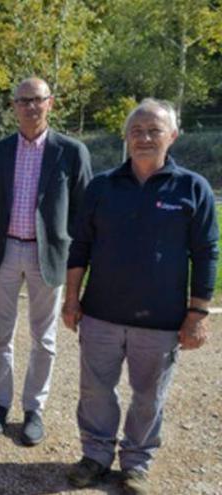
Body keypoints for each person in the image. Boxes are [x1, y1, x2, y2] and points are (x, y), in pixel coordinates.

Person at [62, 99, 218, 495]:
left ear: (173, 136)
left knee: (149, 397)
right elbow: (80, 246)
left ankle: (136, 464)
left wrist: (197, 313)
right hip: (101, 315)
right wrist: (72, 299)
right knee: (95, 391)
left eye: (154, 130)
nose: (144, 138)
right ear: (126, 137)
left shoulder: (192, 188)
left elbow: (207, 253)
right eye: (137, 131)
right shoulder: (102, 186)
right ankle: (95, 456)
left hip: (161, 320)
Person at [0, 77, 92, 445]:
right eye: (23, 100)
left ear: (51, 103)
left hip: (49, 255)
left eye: (38, 100)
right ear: (13, 106)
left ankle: (34, 408)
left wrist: (77, 255)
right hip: (6, 250)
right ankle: (0, 403)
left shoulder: (71, 151)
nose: (30, 106)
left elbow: (83, 211)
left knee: (44, 339)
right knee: (1, 335)